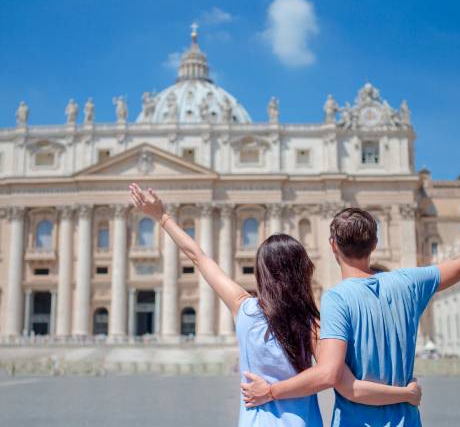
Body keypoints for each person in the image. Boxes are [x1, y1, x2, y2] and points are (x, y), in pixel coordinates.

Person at [241, 174, 460, 426]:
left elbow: (332, 377)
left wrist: (271, 391)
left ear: (333, 246)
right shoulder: (408, 283)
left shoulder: (337, 299)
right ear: (374, 244)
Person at [128, 183, 421, 427]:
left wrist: (162, 216)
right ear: (303, 270)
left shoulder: (243, 308)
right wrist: (405, 393)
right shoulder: (314, 324)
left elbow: (198, 257)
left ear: (261, 271)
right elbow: (343, 383)